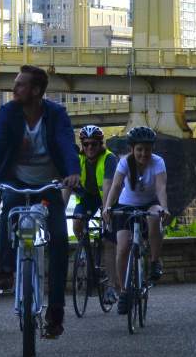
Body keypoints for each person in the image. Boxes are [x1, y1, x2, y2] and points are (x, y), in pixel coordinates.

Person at [0, 65, 79, 339]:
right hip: (18, 180)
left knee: (59, 239)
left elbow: (65, 143)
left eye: (21, 85)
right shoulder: (8, 112)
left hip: (48, 185)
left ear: (36, 91)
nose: (14, 89)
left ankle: (55, 313)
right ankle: (6, 271)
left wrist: (72, 172)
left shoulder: (55, 114)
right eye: (16, 84)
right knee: (8, 208)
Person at [103, 125, 170, 315]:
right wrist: (108, 206)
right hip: (126, 205)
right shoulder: (124, 163)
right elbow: (116, 186)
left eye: (147, 149)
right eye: (139, 149)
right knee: (122, 248)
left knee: (155, 216)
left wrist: (164, 207)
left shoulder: (158, 162)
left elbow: (161, 188)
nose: (143, 154)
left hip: (149, 203)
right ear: (132, 149)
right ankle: (124, 291)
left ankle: (155, 261)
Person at [62, 125, 119, 304]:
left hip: (108, 198)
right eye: (86, 144)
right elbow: (68, 186)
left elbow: (109, 186)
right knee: (77, 224)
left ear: (101, 144)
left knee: (109, 242)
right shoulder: (77, 158)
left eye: (94, 144)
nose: (89, 148)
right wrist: (59, 211)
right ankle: (85, 251)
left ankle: (111, 287)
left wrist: (106, 210)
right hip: (87, 197)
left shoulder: (109, 159)